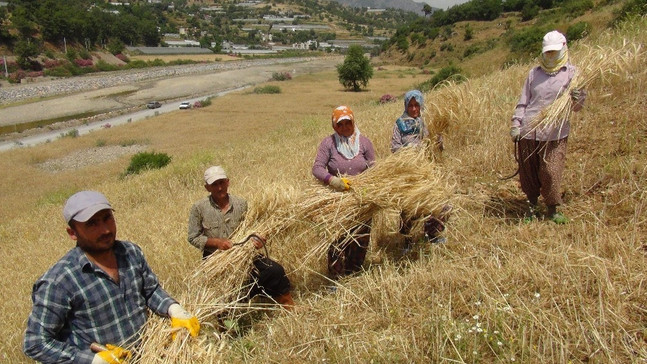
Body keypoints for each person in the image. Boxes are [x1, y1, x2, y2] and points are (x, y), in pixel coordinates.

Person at [24, 191, 199, 364]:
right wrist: (92, 360)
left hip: (148, 356)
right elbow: (36, 343)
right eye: (92, 224)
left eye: (107, 218)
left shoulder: (131, 253)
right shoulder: (59, 281)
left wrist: (174, 309)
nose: (105, 230)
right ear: (72, 233)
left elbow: (150, 291)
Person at [187, 166, 294, 308]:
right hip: (215, 258)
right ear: (207, 188)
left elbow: (252, 229)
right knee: (222, 293)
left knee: (275, 270)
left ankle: (288, 305)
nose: (219, 188)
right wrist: (216, 242)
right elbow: (193, 237)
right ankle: (225, 319)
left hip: (243, 254)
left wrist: (258, 239)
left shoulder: (241, 204)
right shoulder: (199, 208)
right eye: (214, 185)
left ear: (228, 182)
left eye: (222, 183)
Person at [509, 30, 586, 224]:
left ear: (563, 49)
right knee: (528, 171)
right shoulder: (534, 74)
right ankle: (531, 206)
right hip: (529, 130)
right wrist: (516, 124)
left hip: (555, 132)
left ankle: (552, 208)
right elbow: (524, 102)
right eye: (547, 52)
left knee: (551, 170)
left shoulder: (572, 74)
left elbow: (577, 108)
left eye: (554, 52)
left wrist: (578, 98)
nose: (550, 56)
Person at [312, 105, 376, 278]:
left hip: (360, 197)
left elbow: (373, 167)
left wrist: (369, 184)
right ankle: (336, 277)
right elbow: (317, 168)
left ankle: (354, 272)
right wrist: (333, 181)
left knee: (360, 237)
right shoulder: (328, 144)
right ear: (334, 126)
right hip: (337, 199)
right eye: (340, 124)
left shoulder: (364, 142)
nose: (345, 127)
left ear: (353, 122)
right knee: (337, 238)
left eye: (348, 122)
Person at [391, 90, 451, 248]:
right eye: (410, 106)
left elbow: (437, 148)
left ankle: (433, 235)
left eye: (416, 105)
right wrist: (408, 150)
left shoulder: (427, 123)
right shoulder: (399, 125)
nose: (413, 109)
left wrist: (437, 142)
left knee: (433, 201)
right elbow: (394, 147)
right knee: (408, 206)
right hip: (408, 171)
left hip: (426, 169)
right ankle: (408, 240)